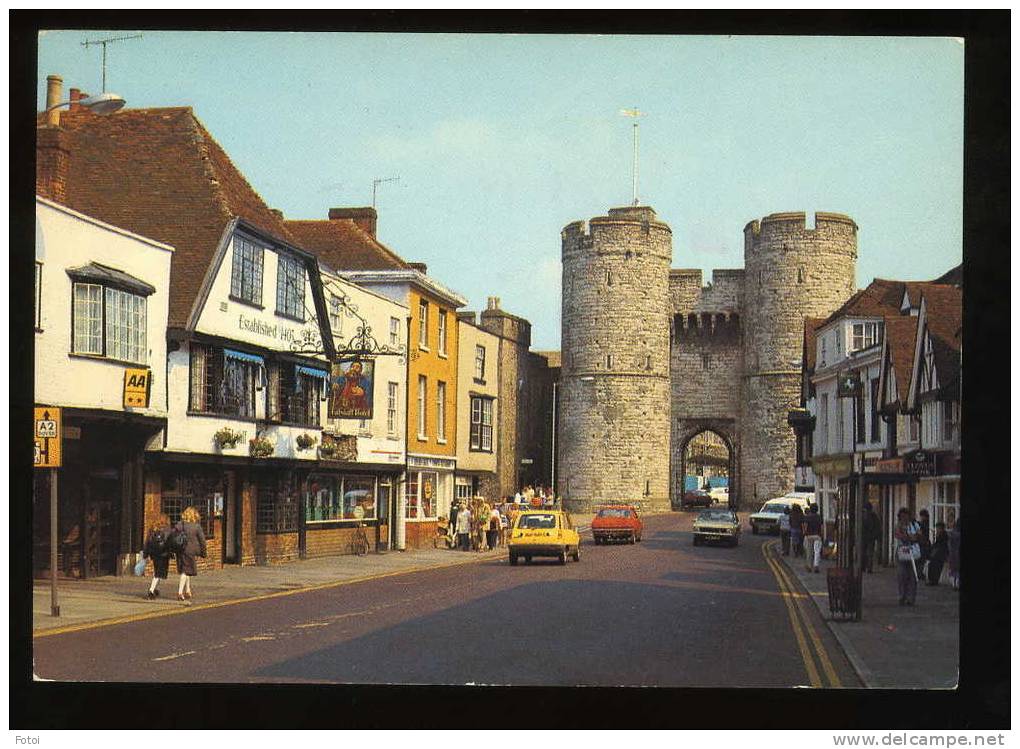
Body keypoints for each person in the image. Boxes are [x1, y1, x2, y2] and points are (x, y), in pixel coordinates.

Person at [175, 506, 207, 602]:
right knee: (186, 571)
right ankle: (180, 592)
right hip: (190, 551)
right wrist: (203, 552)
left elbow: (173, 536)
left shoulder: (179, 525)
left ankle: (188, 590)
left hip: (179, 550)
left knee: (185, 568)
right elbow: (202, 541)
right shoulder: (196, 527)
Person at [894, 507, 921, 606]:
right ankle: (902, 596)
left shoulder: (914, 525)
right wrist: (909, 536)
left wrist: (908, 536)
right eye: (902, 516)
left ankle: (911, 598)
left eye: (906, 516)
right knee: (902, 575)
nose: (904, 518)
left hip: (913, 553)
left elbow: (918, 536)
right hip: (902, 552)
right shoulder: (898, 525)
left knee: (913, 576)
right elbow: (898, 535)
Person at [142, 513, 172, 599]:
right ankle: (151, 590)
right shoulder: (167, 529)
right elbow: (169, 542)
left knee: (158, 572)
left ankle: (155, 589)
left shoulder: (152, 529)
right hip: (164, 554)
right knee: (159, 573)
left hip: (154, 554)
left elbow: (147, 542)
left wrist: (145, 553)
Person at [802, 504, 823, 573]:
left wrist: (805, 533)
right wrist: (822, 535)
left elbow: (805, 526)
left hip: (809, 536)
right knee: (817, 552)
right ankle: (816, 566)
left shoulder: (807, 517)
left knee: (809, 551)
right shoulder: (819, 517)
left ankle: (809, 566)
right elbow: (822, 527)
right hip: (817, 536)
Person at [927, 521, 949, 585]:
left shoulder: (943, 535)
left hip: (939, 554)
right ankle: (933, 580)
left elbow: (940, 545)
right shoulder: (941, 535)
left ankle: (933, 580)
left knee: (936, 567)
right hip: (938, 554)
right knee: (933, 566)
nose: (937, 529)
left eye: (938, 528)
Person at [862, 502, 881, 574]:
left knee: (865, 552)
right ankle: (868, 567)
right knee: (869, 553)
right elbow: (878, 527)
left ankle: (865, 567)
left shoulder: (863, 516)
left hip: (866, 537)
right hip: (870, 537)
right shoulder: (874, 516)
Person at [917, 508, 932, 578]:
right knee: (921, 559)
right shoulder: (923, 523)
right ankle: (919, 573)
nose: (921, 518)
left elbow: (923, 533)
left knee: (922, 559)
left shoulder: (925, 524)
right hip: (922, 543)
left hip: (924, 543)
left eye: (922, 516)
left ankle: (920, 573)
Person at [947, 516, 961, 590]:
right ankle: (957, 583)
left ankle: (954, 583)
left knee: (953, 570)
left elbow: (949, 544)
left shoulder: (952, 533)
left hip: (953, 553)